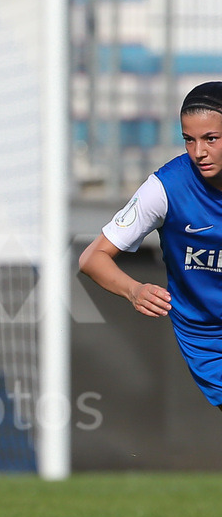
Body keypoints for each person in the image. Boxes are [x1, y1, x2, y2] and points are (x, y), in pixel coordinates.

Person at [79, 81, 222, 412]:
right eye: (189, 140)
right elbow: (92, 258)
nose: (198, 151)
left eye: (210, 139)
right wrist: (134, 290)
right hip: (208, 339)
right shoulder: (165, 188)